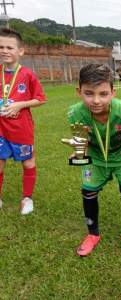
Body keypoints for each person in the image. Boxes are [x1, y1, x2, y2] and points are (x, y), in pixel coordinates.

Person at [67, 64, 121, 257]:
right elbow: (80, 139)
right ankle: (92, 234)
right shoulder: (75, 113)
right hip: (95, 157)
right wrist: (78, 152)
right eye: (89, 93)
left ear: (113, 93)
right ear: (79, 92)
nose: (96, 100)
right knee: (88, 190)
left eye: (103, 94)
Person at [0, 28, 46, 215]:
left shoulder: (28, 75)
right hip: (1, 128)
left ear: (21, 51)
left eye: (9, 47)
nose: (4, 51)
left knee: (27, 162)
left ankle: (27, 198)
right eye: (1, 47)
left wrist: (20, 105)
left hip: (21, 129)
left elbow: (41, 99)